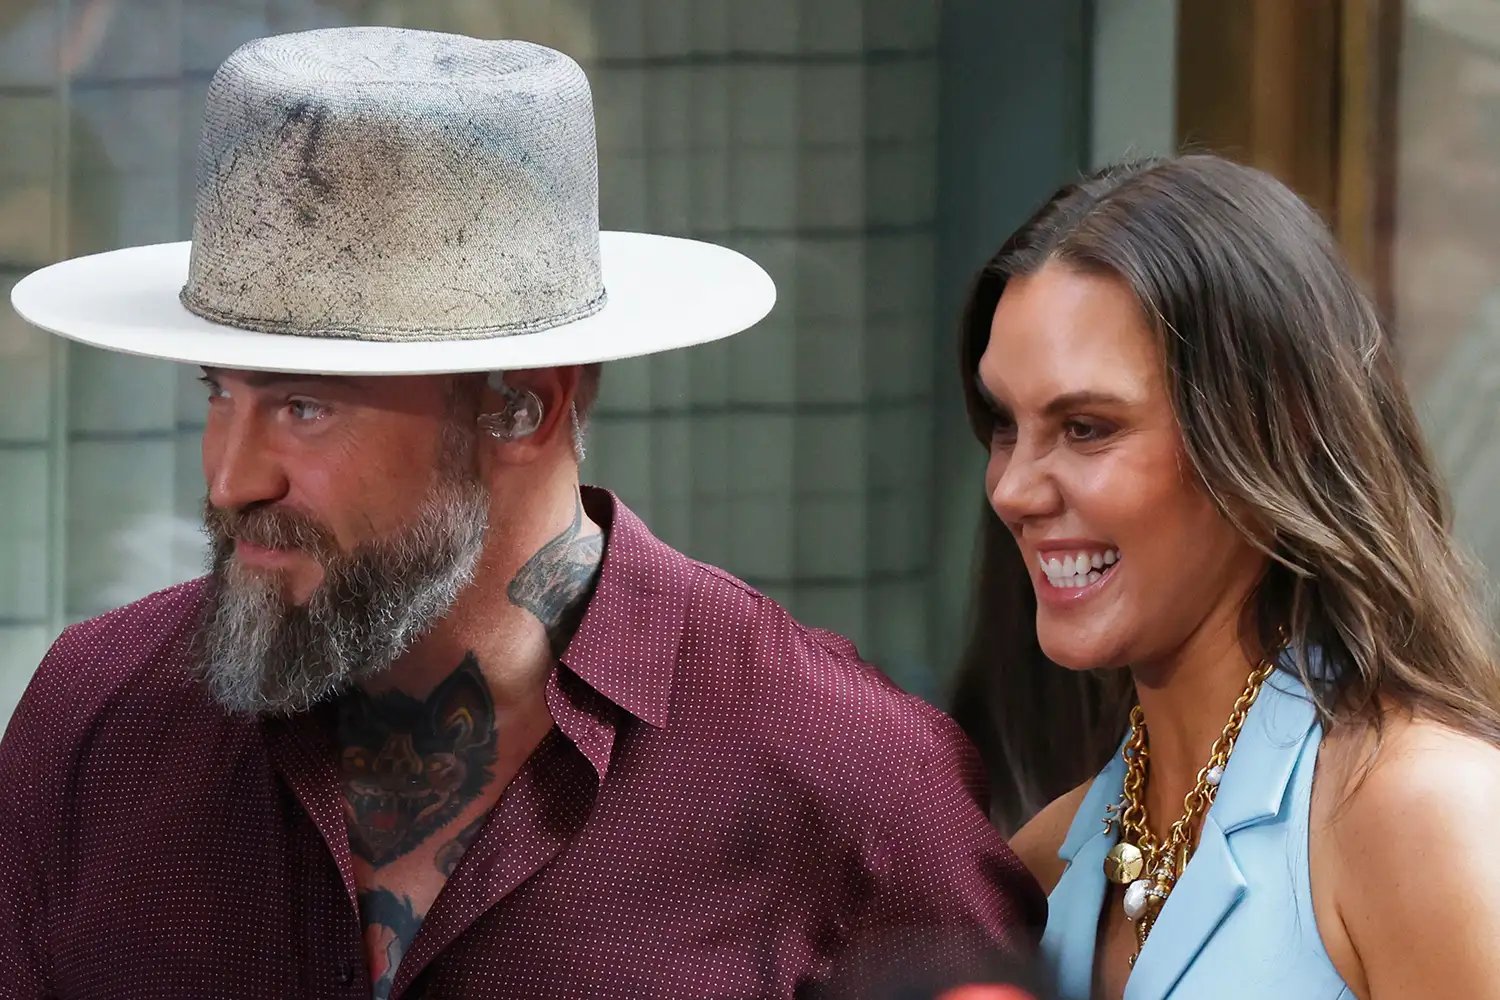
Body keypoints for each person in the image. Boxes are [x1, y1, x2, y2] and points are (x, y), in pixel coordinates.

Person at [0, 27, 1044, 1000]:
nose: (230, 478)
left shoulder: (845, 783)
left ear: (522, 408)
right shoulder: (97, 721)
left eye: (304, 408)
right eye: (217, 394)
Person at [957, 154, 1500, 1000]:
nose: (1014, 489)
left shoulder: (1421, 817)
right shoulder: (1040, 867)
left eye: (1088, 427)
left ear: (1270, 425)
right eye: (1004, 425)